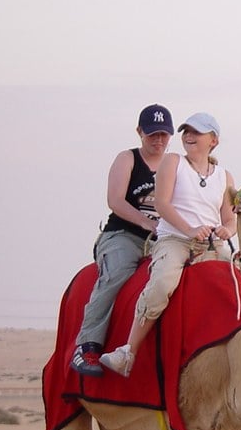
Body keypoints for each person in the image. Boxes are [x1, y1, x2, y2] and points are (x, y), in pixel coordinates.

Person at [99, 112, 236, 377]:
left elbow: (230, 219)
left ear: (214, 140)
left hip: (210, 244)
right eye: (187, 132)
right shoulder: (174, 162)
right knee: (162, 283)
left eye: (197, 132)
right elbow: (162, 203)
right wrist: (189, 229)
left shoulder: (224, 176)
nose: (189, 136)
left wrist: (225, 229)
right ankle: (128, 351)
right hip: (175, 239)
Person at [70, 104, 174, 377]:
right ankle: (86, 345)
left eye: (164, 134)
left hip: (165, 238)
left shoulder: (174, 165)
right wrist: (146, 222)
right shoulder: (128, 159)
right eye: (153, 134)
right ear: (140, 132)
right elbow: (115, 200)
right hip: (125, 234)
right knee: (117, 273)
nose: (159, 140)